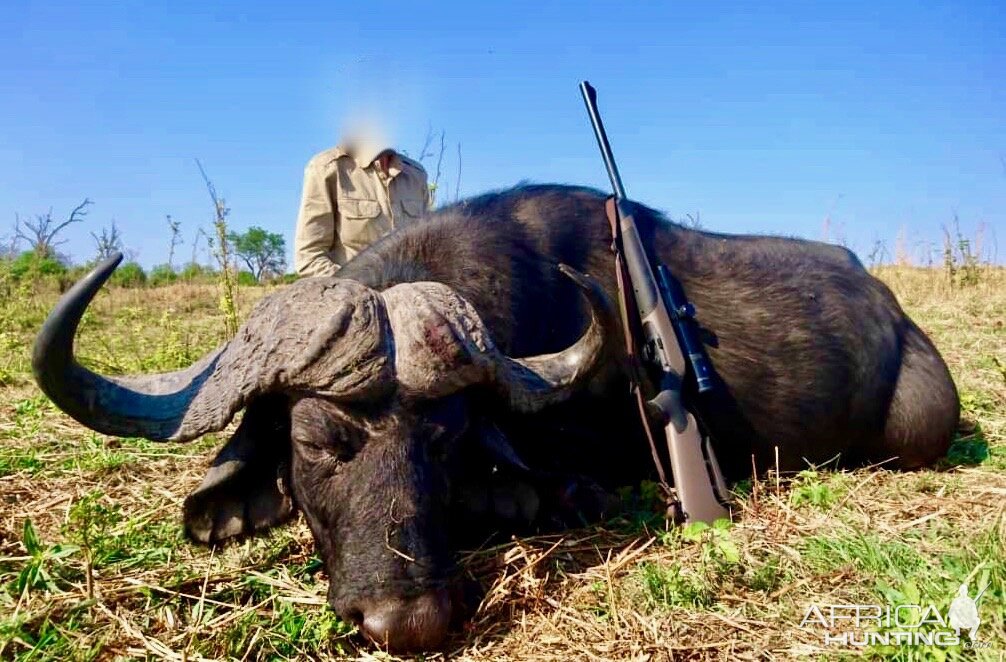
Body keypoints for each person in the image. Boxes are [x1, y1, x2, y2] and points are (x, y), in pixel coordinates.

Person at [294, 135, 430, 277]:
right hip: (350, 294)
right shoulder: (326, 169)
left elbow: (426, 252)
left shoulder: (417, 174)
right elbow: (309, 258)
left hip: (410, 294)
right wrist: (358, 289)